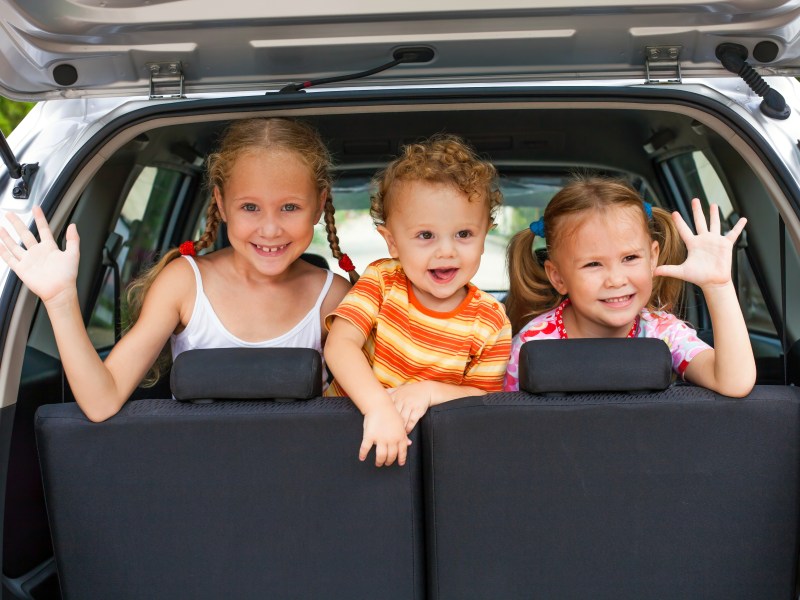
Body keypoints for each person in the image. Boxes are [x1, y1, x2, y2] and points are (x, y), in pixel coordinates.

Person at [0, 117, 354, 422]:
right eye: (250, 207)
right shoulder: (185, 284)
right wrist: (61, 299)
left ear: (319, 205)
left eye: (290, 207)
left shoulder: (332, 296)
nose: (270, 229)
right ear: (221, 204)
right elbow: (101, 402)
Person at [324, 135, 512, 467]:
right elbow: (340, 346)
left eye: (464, 234)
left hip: (437, 458)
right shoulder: (382, 281)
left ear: (486, 234)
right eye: (426, 235)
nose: (446, 251)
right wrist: (379, 408)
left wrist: (430, 391)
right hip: (349, 441)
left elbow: (487, 400)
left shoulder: (491, 319)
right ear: (392, 242)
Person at [503, 176, 756, 397]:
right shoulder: (531, 344)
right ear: (558, 277)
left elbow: (734, 382)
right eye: (593, 264)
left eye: (630, 258)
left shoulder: (664, 333)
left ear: (653, 257)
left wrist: (718, 286)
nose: (616, 279)